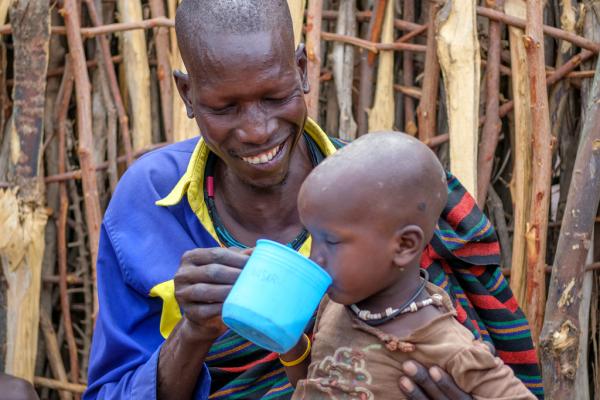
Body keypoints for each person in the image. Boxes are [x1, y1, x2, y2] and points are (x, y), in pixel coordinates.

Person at [84, 1, 543, 399]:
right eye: (225, 108)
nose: (257, 129)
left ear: (302, 70)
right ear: (187, 93)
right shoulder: (149, 205)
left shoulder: (392, 194)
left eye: (275, 96)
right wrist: (193, 334)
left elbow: (487, 359)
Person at [280, 132, 535, 400]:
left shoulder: (446, 345)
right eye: (312, 237)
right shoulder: (333, 307)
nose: (314, 258)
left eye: (330, 242)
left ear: (404, 245)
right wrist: (292, 348)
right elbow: (315, 384)